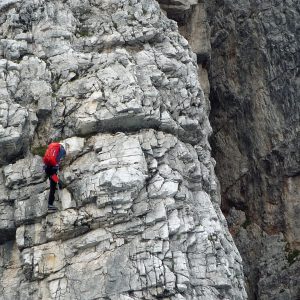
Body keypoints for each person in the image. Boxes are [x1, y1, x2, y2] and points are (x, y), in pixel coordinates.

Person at [43, 142, 66, 210]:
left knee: (52, 187)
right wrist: (57, 165)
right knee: (54, 182)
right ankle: (60, 184)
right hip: (53, 168)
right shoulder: (61, 149)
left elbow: (45, 159)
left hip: (47, 168)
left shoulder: (50, 148)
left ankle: (50, 204)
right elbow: (60, 158)